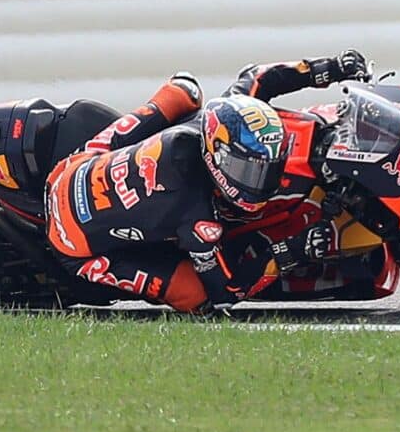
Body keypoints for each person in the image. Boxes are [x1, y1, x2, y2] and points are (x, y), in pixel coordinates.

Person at [44, 50, 368, 313]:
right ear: (217, 156)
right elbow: (227, 289)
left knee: (184, 90)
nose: (261, 180)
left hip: (76, 164)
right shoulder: (199, 220)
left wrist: (328, 68)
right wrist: (291, 250)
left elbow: (258, 78)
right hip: (74, 243)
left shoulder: (221, 115)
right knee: (198, 299)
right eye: (249, 170)